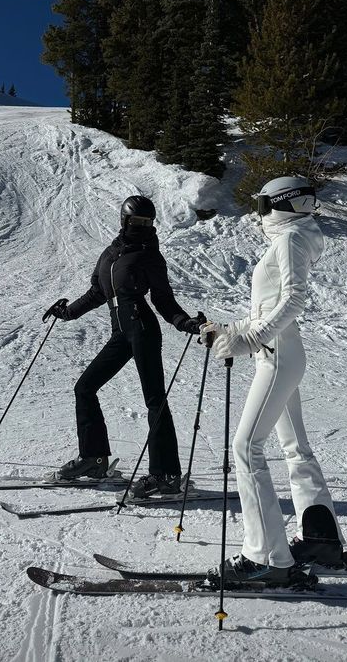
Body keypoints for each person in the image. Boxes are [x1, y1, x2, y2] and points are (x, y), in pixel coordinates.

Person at [202, 176, 345, 587]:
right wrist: (231, 330)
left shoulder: (290, 238)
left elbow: (294, 299)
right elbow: (269, 306)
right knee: (293, 445)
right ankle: (321, 539)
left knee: (245, 447)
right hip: (281, 350)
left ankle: (266, 557)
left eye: (263, 205)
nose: (259, 212)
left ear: (283, 204)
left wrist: (251, 338)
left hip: (278, 355)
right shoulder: (295, 235)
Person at [46, 195, 205, 497]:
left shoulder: (150, 255)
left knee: (154, 399)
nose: (142, 227)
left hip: (143, 329)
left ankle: (166, 475)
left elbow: (162, 299)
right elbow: (97, 293)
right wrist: (67, 313)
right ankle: (93, 459)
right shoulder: (111, 254)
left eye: (147, 222)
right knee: (85, 387)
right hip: (120, 332)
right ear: (124, 220)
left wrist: (186, 323)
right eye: (136, 222)